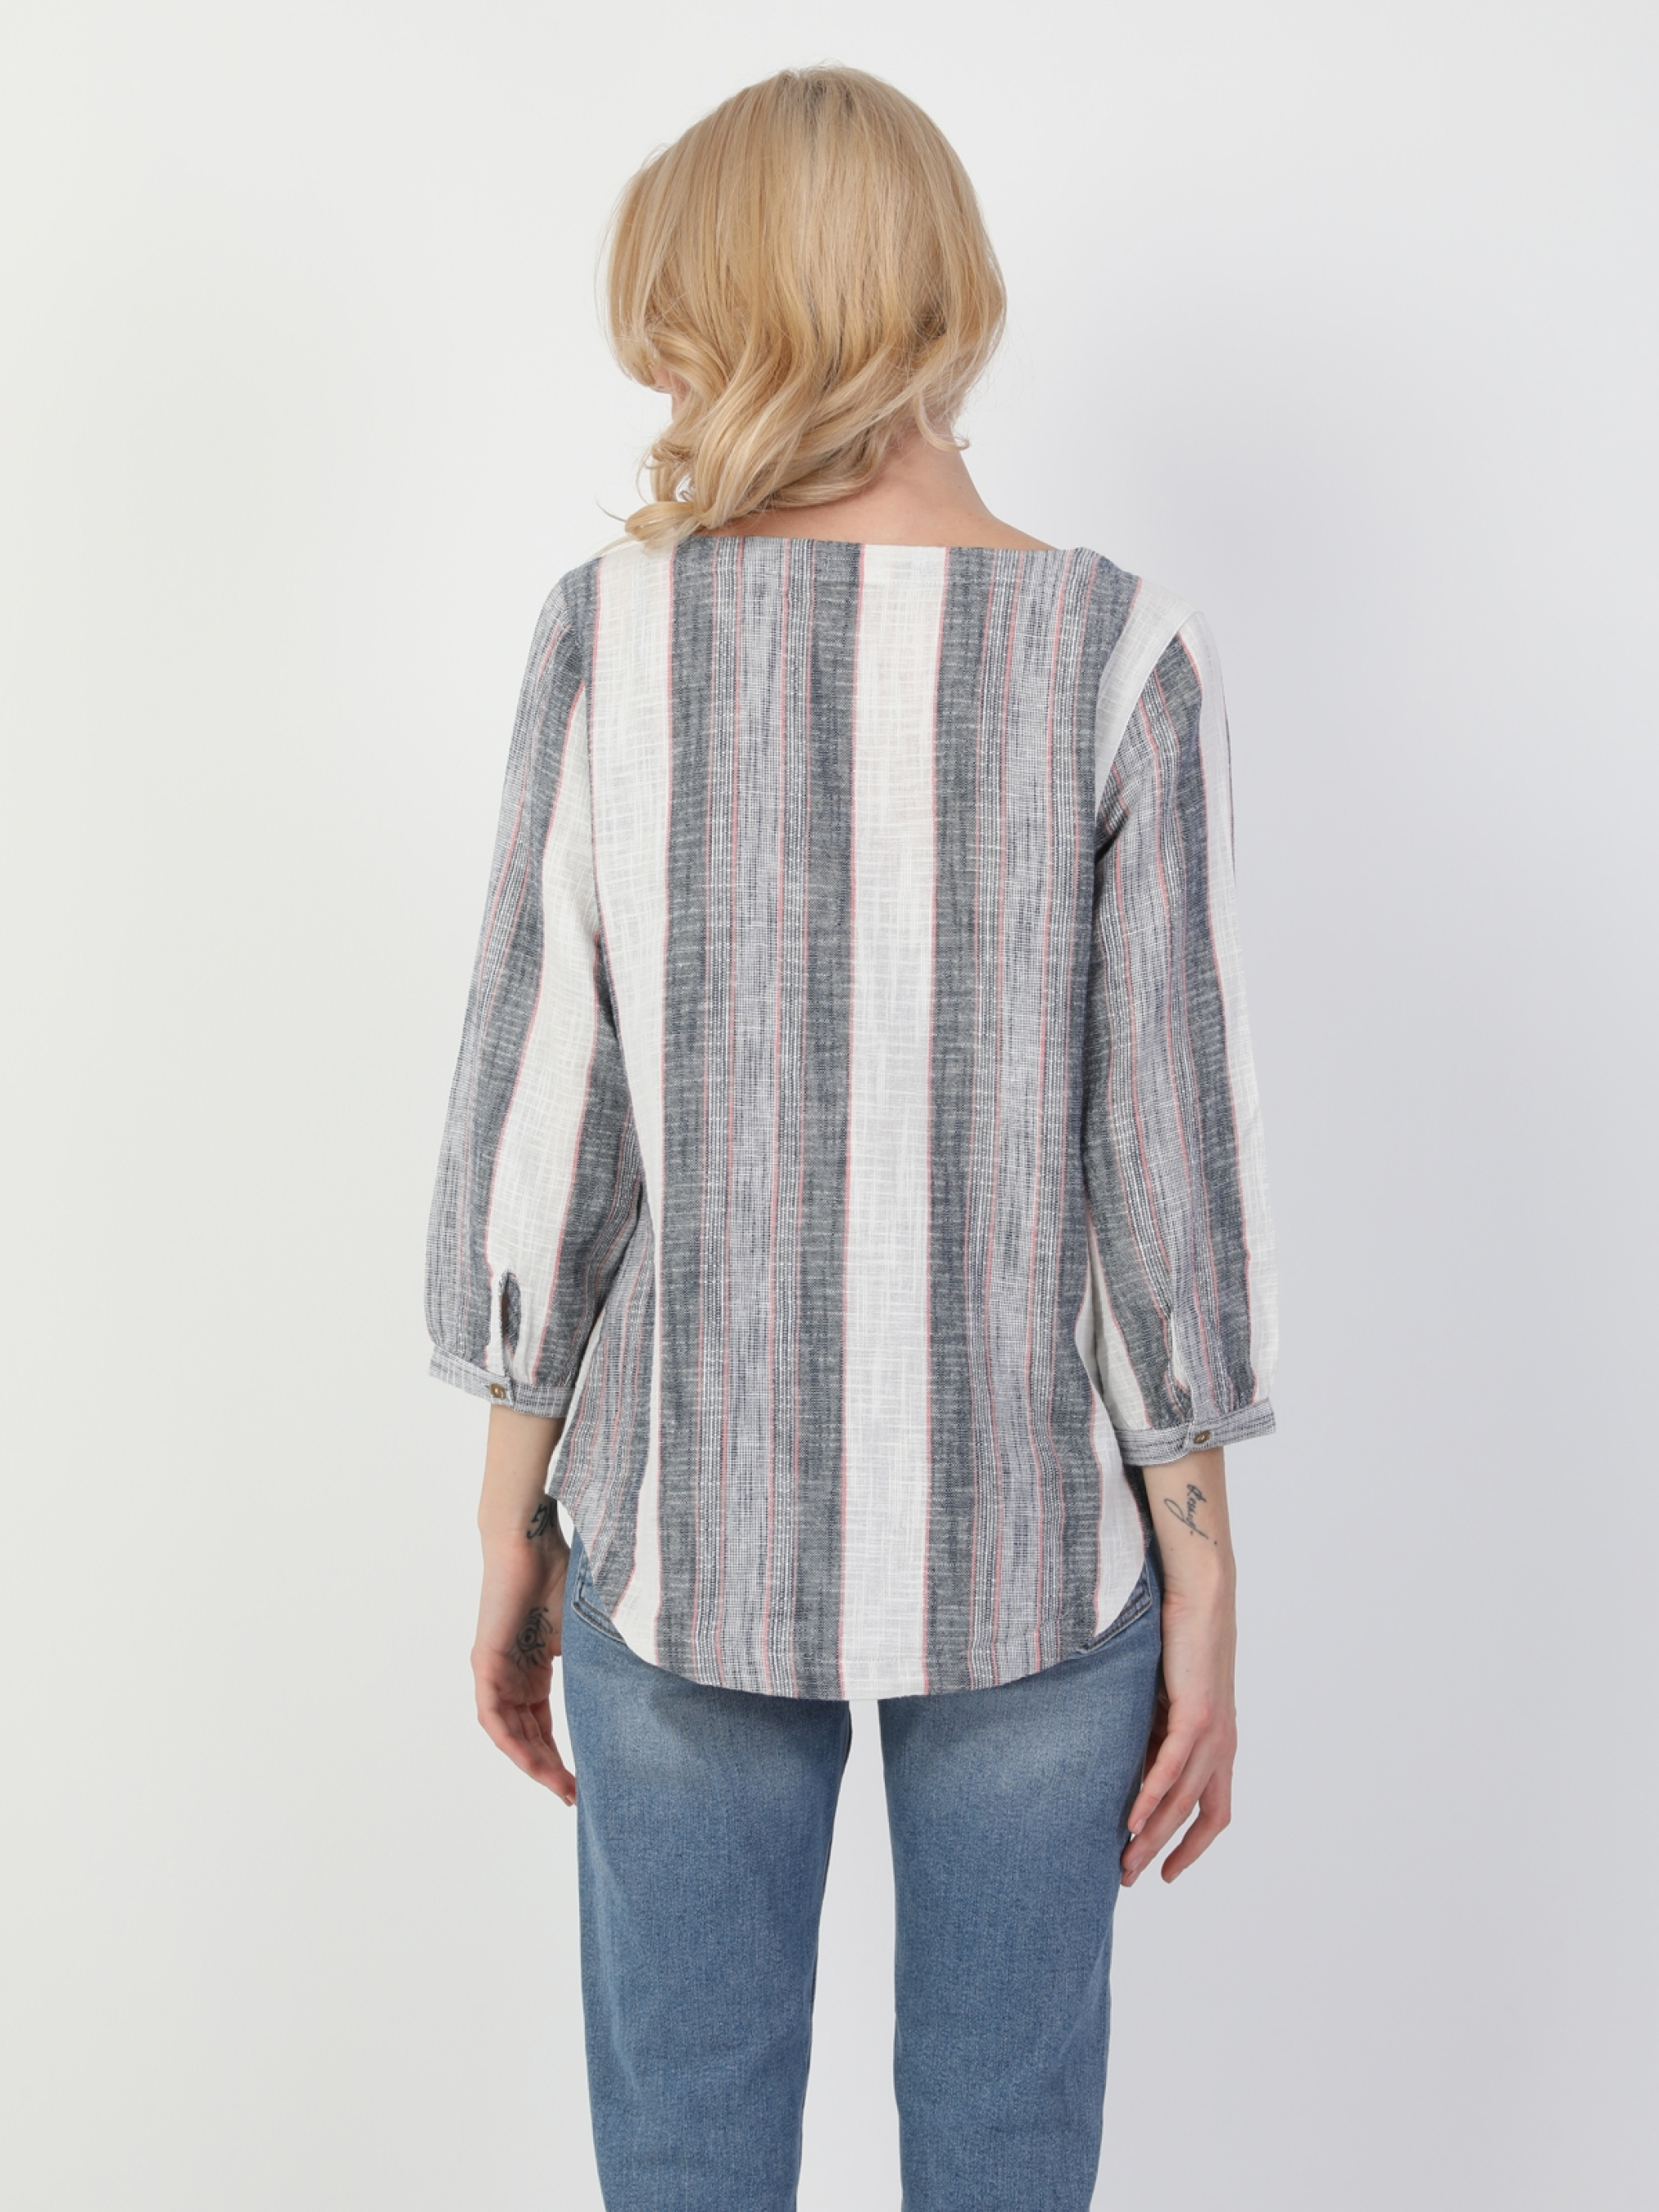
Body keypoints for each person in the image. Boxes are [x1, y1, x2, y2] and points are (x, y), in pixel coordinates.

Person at [424, 64, 1276, 2212]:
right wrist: (1203, 1573)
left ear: (728, 311)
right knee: (1007, 2153)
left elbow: (549, 1113)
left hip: (683, 1526)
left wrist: (512, 1518)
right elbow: (1160, 1166)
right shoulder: (1115, 651)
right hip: (1040, 1547)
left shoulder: (610, 628)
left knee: (685, 2150)